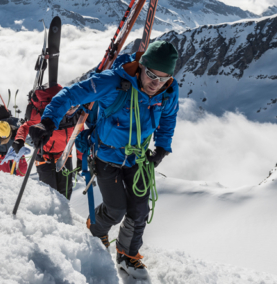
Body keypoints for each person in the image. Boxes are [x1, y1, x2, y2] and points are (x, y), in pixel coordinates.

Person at [28, 41, 179, 279]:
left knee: (140, 209)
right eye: (151, 75)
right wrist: (48, 121)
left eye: (164, 78)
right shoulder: (113, 83)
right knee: (116, 209)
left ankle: (127, 254)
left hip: (138, 157)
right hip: (107, 155)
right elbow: (71, 94)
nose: (156, 83)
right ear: (141, 66)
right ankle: (96, 230)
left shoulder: (169, 89)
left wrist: (161, 147)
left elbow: (169, 117)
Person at [13, 84, 81, 200]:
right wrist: (19, 140)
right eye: (69, 108)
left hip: (64, 156)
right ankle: (50, 217)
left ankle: (64, 216)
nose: (71, 111)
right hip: (44, 156)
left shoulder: (76, 118)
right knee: (51, 194)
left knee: (66, 192)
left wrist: (80, 158)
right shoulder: (47, 116)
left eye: (74, 108)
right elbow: (25, 126)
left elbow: (79, 137)